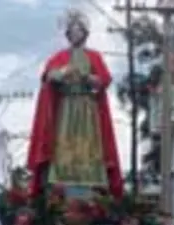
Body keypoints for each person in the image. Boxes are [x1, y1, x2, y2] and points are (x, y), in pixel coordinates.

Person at [27, 9, 122, 198]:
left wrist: (89, 78)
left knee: (89, 144)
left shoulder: (94, 57)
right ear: (68, 34)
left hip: (87, 107)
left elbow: (104, 79)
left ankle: (90, 177)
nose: (75, 34)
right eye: (72, 31)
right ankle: (63, 175)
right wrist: (62, 73)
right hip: (66, 107)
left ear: (85, 34)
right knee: (64, 142)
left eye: (79, 31)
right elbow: (48, 76)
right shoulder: (59, 57)